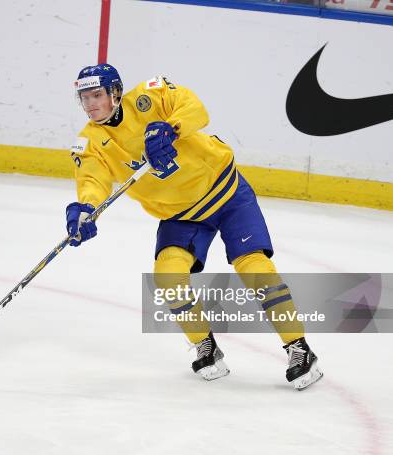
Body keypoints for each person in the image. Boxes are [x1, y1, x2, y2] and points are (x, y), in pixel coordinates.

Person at [66, 63, 323, 390]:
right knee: (168, 276)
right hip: (181, 214)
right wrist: (86, 210)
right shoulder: (90, 141)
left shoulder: (149, 95)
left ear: (115, 92)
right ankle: (206, 346)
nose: (90, 105)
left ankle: (299, 349)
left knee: (254, 267)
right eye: (84, 98)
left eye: (97, 95)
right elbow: (92, 180)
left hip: (226, 192)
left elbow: (195, 108)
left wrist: (170, 127)